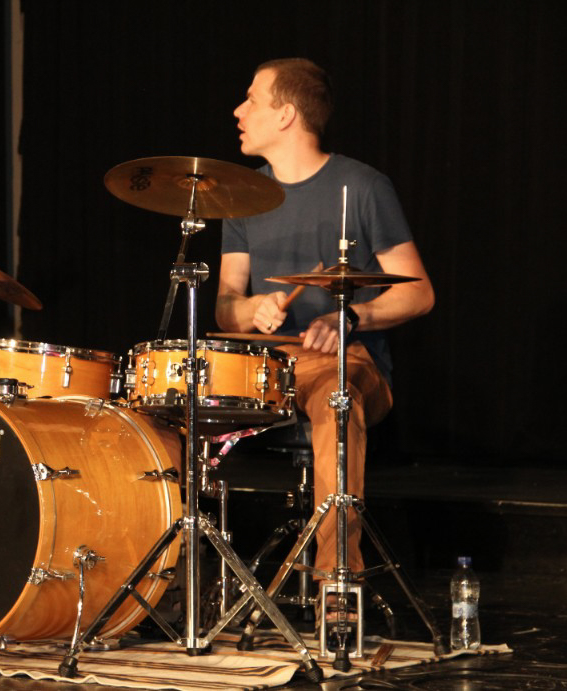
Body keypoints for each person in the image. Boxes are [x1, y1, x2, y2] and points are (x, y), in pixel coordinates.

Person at [215, 59, 434, 600]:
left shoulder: (363, 187)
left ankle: (338, 587)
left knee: (337, 401)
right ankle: (170, 580)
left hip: (343, 363)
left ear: (286, 114)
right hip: (263, 367)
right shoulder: (242, 196)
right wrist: (251, 310)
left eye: (251, 99)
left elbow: (419, 293)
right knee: (166, 400)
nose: (238, 111)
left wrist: (351, 316)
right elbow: (225, 306)